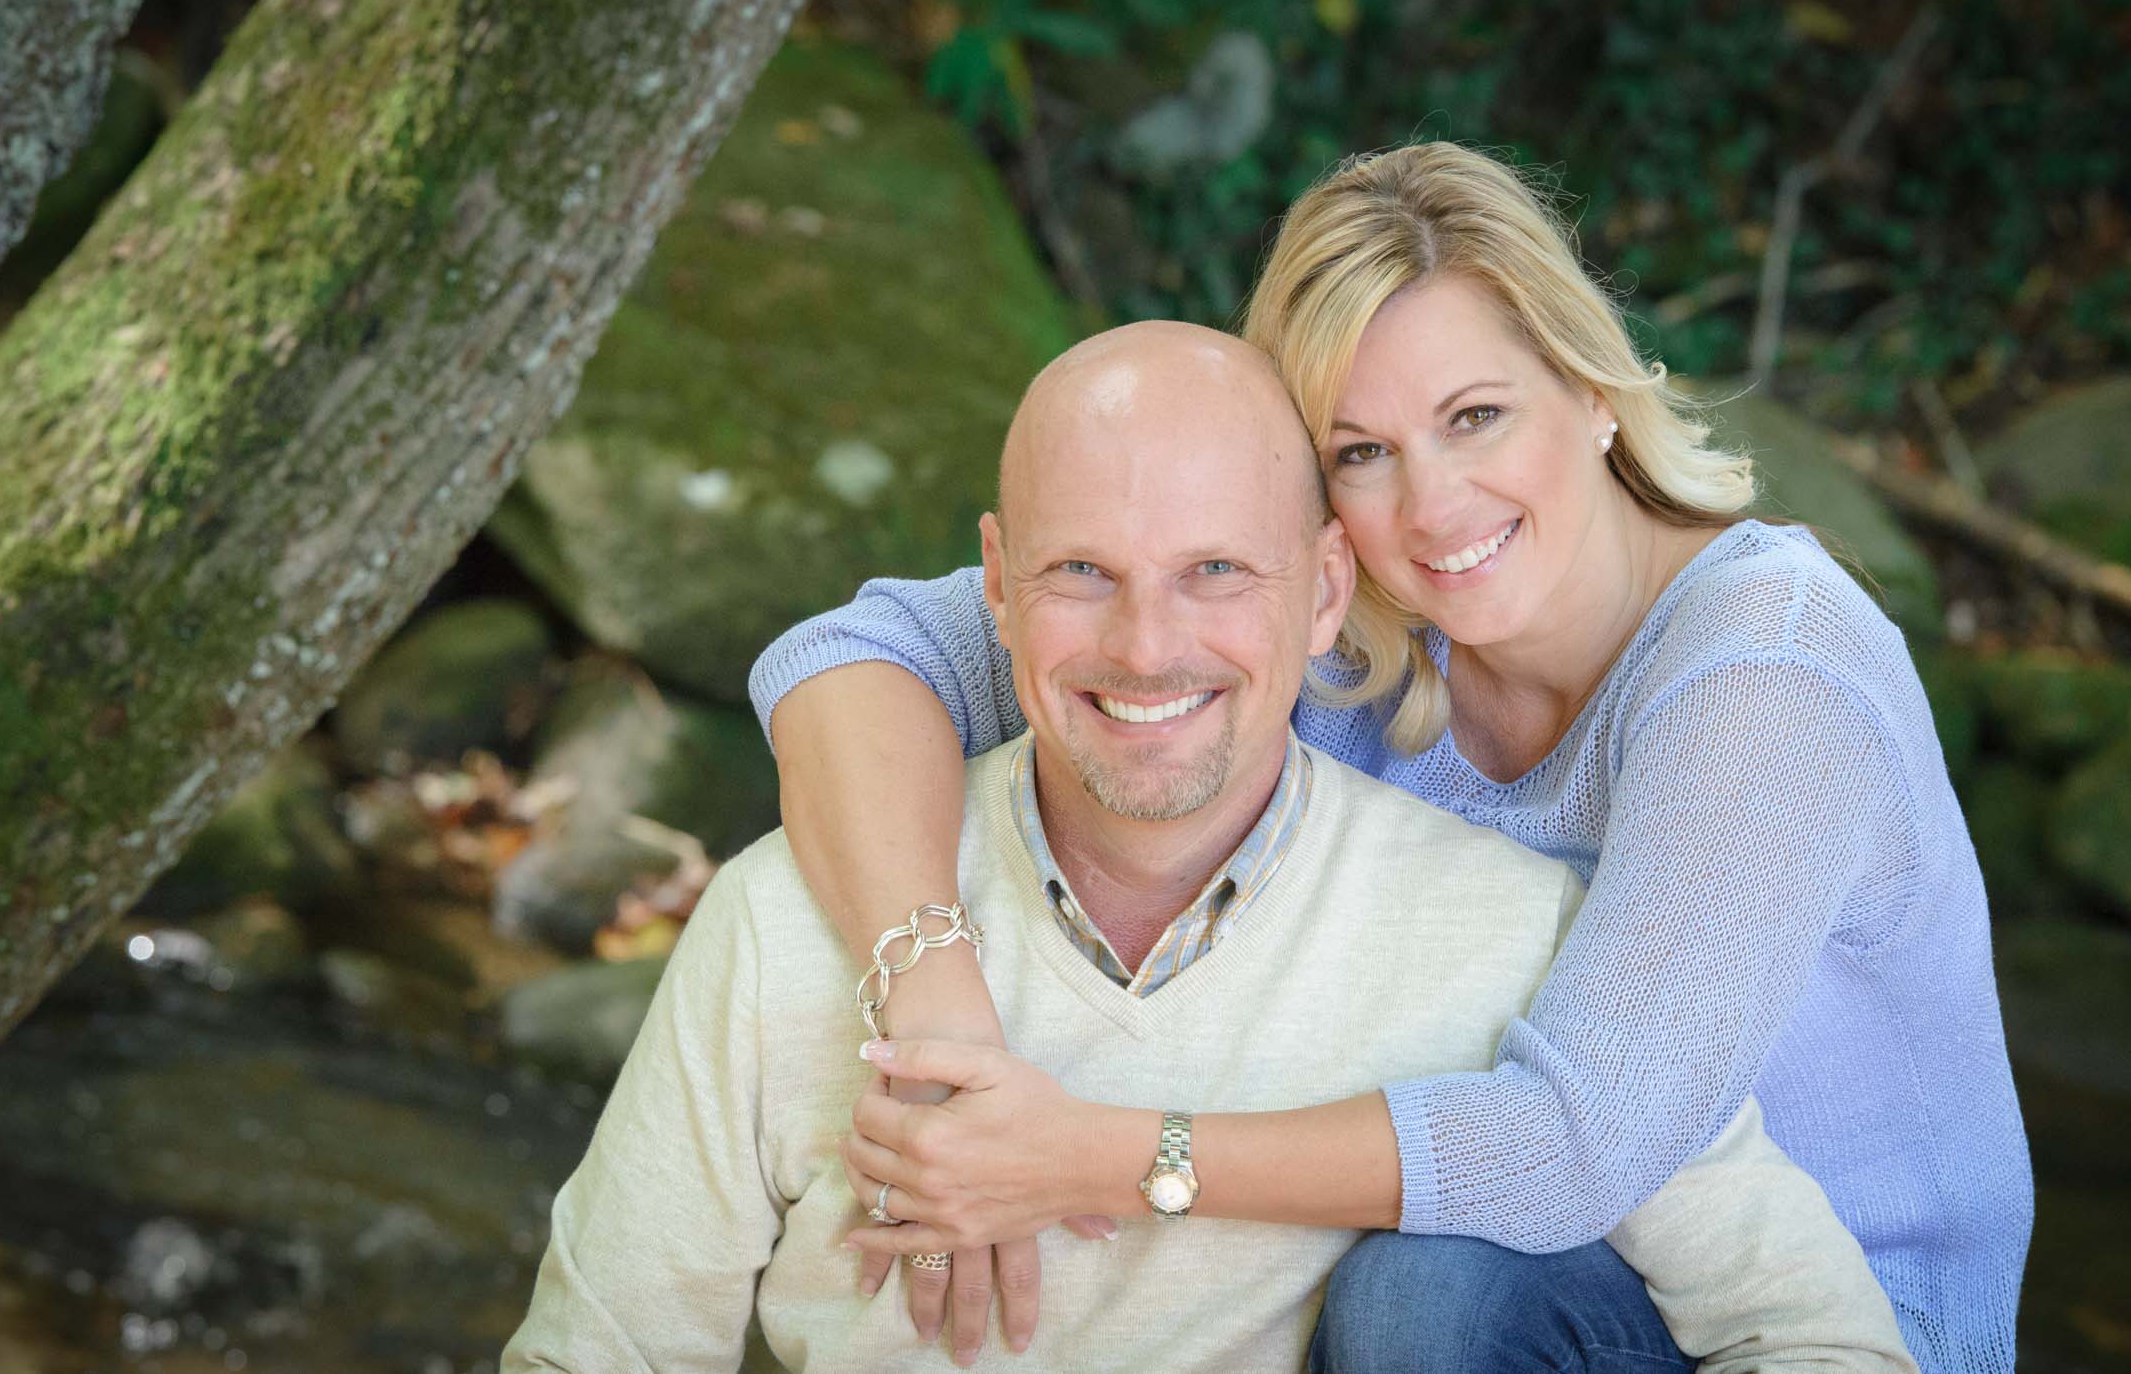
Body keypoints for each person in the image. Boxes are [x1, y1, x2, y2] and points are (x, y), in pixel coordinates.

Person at [750, 144, 2030, 1374]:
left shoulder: (1765, 664)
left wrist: (1088, 1155)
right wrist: (930, 995)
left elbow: (1575, 1148)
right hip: (1478, 1259)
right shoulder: (1337, 631)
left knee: (1423, 1295)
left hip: (1816, 1320)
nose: (1432, 508)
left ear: (1592, 391)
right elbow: (849, 659)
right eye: (1361, 453)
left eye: (1476, 416)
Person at [502, 323, 1914, 1373]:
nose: (1145, 645)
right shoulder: (788, 922)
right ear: (993, 584)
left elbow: (1819, 1337)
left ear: (1324, 590)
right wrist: (926, 983)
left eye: (1216, 572)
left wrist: (1102, 1154)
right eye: (1079, 573)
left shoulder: (1505, 933)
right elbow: (594, 1352)